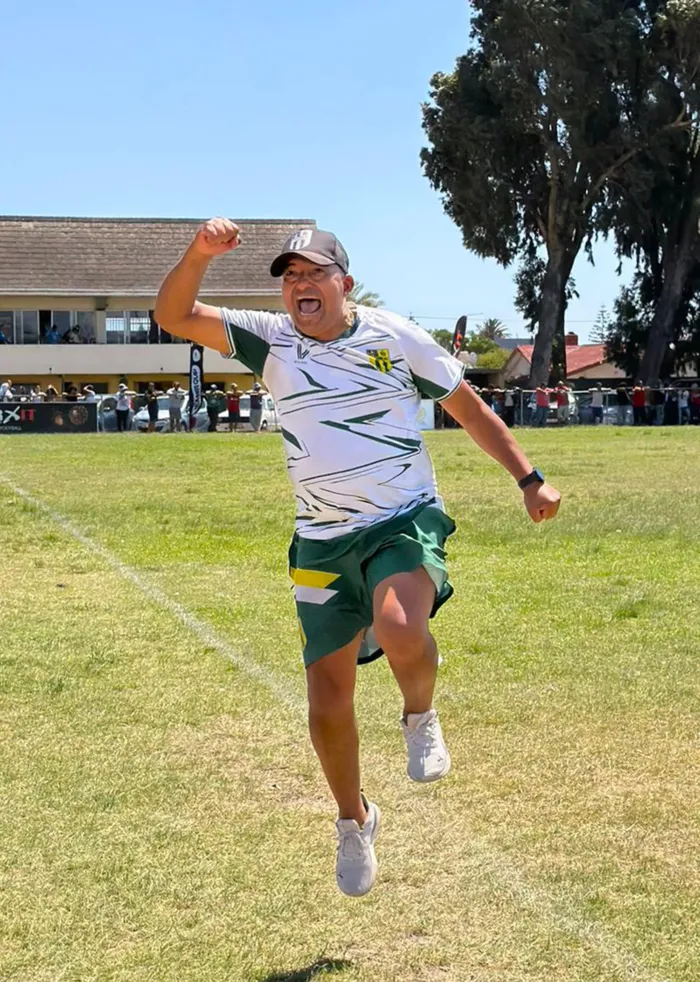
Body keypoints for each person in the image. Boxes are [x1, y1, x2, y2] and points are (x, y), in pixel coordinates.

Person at [154, 219, 561, 898]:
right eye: (290, 277)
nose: (300, 286)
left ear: (344, 282)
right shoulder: (269, 338)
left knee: (400, 625)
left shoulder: (395, 337)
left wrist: (529, 479)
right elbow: (173, 315)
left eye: (313, 273)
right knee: (326, 699)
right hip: (321, 539)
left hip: (400, 520)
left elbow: (468, 409)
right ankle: (354, 820)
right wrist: (198, 255)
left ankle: (419, 715)